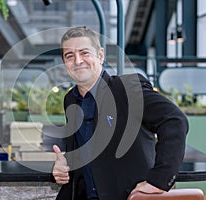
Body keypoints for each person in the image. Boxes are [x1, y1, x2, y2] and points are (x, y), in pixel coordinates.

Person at [51, 26, 188, 200]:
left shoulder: (128, 89)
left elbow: (175, 120)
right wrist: (65, 163)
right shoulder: (71, 99)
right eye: (69, 56)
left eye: (85, 53)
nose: (78, 61)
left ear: (100, 56)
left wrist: (159, 180)